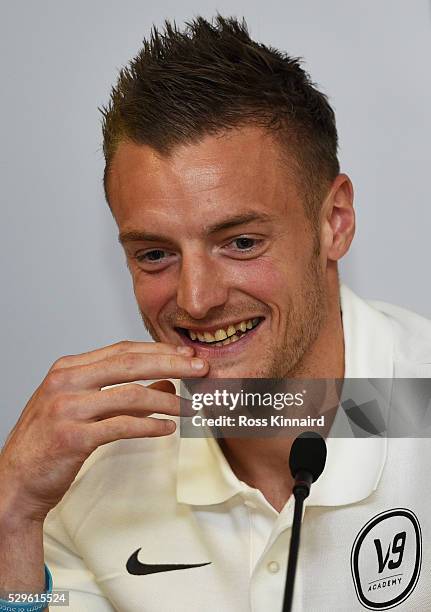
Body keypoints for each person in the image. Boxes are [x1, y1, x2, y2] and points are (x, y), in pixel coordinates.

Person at [0, 15, 430, 612]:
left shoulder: (415, 398)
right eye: (155, 254)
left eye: (241, 242)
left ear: (334, 222)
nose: (196, 300)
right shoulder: (85, 477)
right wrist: (12, 518)